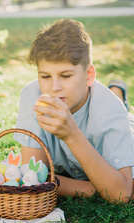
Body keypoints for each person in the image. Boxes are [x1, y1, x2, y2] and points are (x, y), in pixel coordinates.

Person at [13, 18, 134, 204]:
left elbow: (120, 195)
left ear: (89, 75)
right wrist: (100, 188)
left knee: (118, 109)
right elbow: (35, 178)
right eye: (45, 76)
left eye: (65, 75)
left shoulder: (110, 112)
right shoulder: (33, 96)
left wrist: (71, 135)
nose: (54, 87)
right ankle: (116, 89)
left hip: (123, 122)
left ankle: (116, 93)